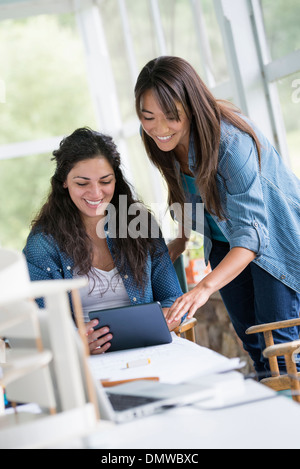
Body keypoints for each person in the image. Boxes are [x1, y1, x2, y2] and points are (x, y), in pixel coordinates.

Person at [134, 55, 300, 375]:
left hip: (274, 243)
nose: (159, 128)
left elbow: (252, 236)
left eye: (171, 116)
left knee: (281, 352)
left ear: (191, 106)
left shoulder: (229, 142)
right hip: (226, 244)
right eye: (148, 116)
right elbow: (183, 190)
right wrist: (180, 241)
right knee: (254, 346)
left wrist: (203, 287)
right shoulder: (158, 140)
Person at [24, 127, 182, 354]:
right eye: (82, 183)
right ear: (64, 182)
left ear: (116, 179)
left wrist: (169, 317)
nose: (96, 193)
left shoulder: (140, 225)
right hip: (83, 361)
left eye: (105, 181)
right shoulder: (43, 243)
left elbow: (172, 298)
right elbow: (38, 322)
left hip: (149, 350)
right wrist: (71, 341)